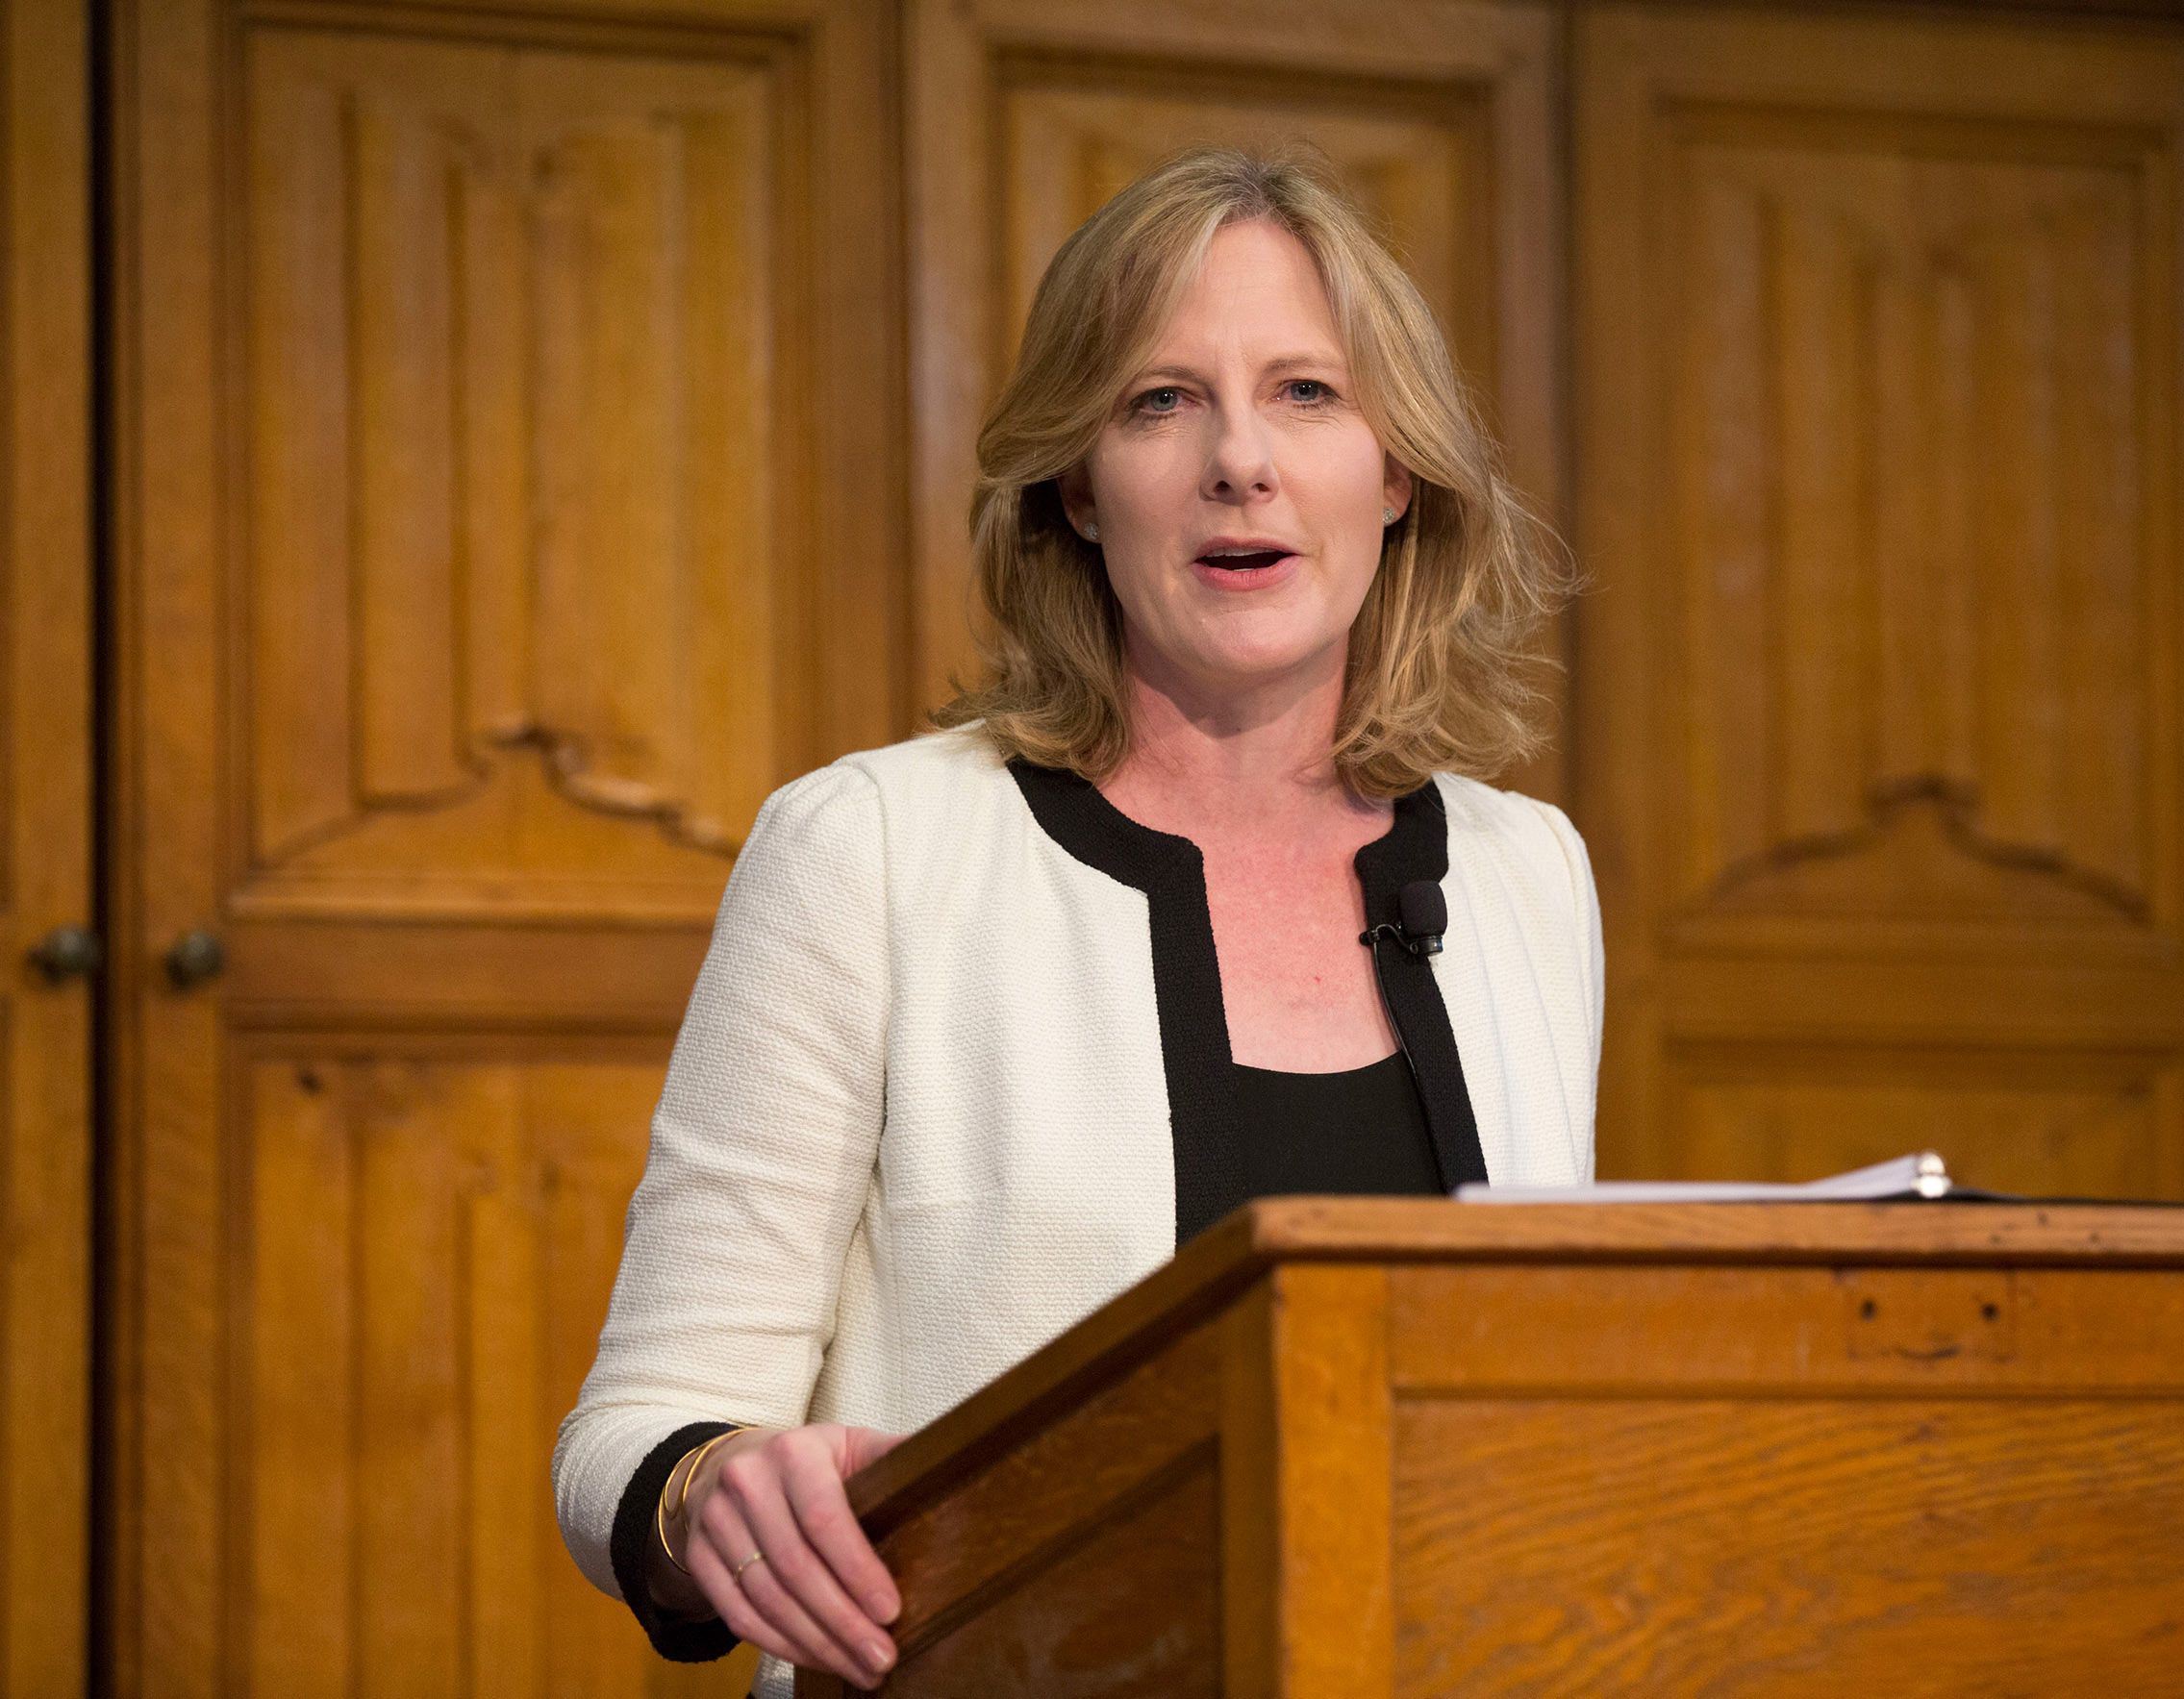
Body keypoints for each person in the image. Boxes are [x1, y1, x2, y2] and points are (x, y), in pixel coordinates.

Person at [552, 147, 1601, 1695]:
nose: (1239, 459)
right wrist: (717, 1490)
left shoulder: (1529, 872)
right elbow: (633, 1437)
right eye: (1158, 401)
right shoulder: (869, 851)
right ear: (1073, 486)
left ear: (1396, 474)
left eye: (1307, 392)